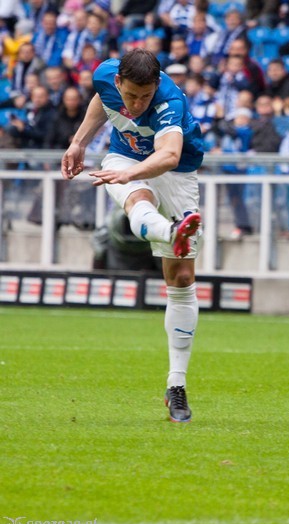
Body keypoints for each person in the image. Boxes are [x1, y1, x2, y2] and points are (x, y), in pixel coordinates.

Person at [61, 49, 204, 424]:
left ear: (156, 85)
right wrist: (80, 142)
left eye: (145, 96)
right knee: (138, 203)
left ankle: (176, 383)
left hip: (174, 172)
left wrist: (133, 173)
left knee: (183, 279)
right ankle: (172, 231)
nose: (138, 104)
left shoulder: (169, 100)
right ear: (119, 82)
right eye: (131, 96)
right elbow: (100, 99)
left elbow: (170, 154)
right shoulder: (105, 76)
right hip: (123, 159)